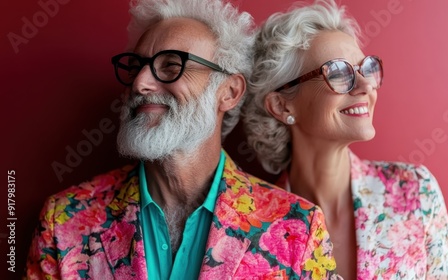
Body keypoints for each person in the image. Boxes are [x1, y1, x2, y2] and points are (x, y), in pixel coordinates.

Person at [24, 0, 341, 279]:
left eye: (171, 65)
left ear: (229, 92)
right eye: (137, 67)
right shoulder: (63, 220)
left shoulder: (296, 227)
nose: (140, 83)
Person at [243, 0, 448, 279]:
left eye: (366, 68)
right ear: (282, 105)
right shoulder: (255, 230)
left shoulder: (415, 193)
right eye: (338, 72)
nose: (366, 85)